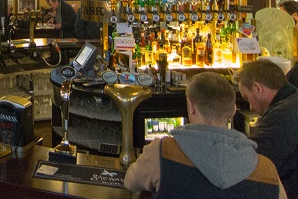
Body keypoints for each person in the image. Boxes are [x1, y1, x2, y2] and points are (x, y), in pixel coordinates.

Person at [125, 72, 287, 198]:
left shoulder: (162, 151)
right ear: (233, 111)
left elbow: (130, 182)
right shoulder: (267, 171)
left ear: (191, 106)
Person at [238, 60, 298, 198]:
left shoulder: (280, 116)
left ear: (258, 88)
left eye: (247, 98)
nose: (251, 107)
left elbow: (253, 165)